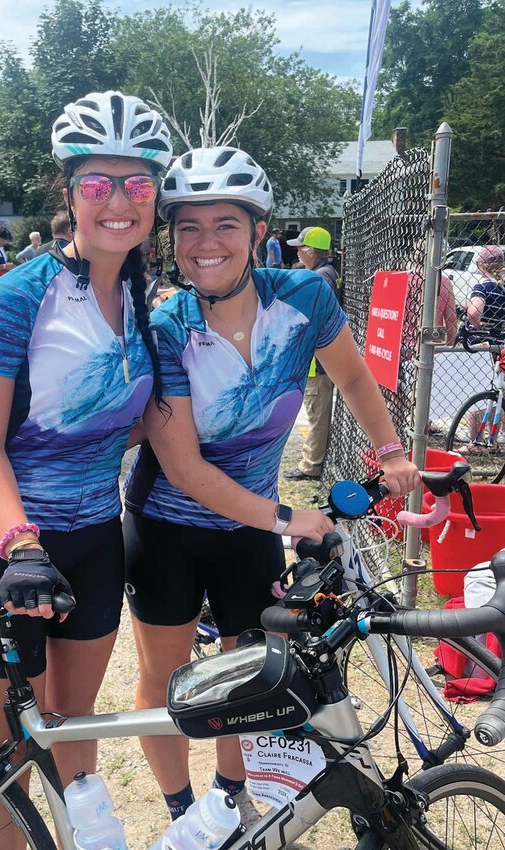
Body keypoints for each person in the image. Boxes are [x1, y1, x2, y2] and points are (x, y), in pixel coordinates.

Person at [123, 146, 419, 823]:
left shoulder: (304, 297)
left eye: (225, 224)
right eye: (188, 227)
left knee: (247, 675)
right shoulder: (168, 327)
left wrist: (393, 451)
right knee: (164, 679)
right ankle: (180, 815)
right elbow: (187, 469)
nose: (205, 243)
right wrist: (291, 518)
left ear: (260, 231)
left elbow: (350, 376)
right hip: (168, 526)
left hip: (252, 528)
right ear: (171, 238)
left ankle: (231, 800)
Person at [0, 90, 171, 848]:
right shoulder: (14, 298)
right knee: (9, 741)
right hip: (12, 545)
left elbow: (125, 419)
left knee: (76, 722)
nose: (118, 201)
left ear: (155, 197)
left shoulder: (146, 298)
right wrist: (23, 546)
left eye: (137, 184)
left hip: (94, 535)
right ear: (67, 192)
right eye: (98, 183)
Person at [283, 226, 341, 482]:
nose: (297, 251)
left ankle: (311, 466)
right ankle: (313, 461)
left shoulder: (320, 278)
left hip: (317, 362)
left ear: (311, 251)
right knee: (317, 411)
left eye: (301, 247)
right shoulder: (326, 273)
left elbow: (315, 320)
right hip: (320, 360)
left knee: (317, 413)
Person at [464, 246, 505, 343]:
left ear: (481, 266)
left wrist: (478, 325)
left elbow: (474, 313)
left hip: (481, 342)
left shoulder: (482, 288)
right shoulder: (502, 288)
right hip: (500, 342)